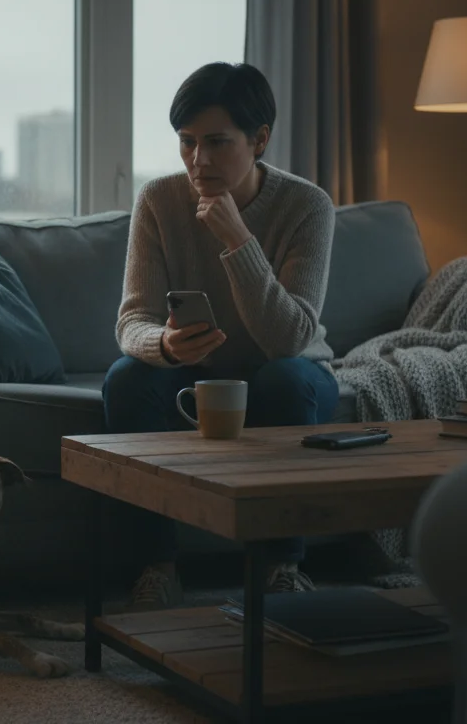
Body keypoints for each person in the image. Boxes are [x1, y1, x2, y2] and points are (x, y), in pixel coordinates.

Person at [104, 62, 340, 610]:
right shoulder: (159, 200)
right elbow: (132, 321)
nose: (198, 160)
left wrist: (238, 239)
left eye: (216, 142)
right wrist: (163, 346)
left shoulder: (308, 206)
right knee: (126, 379)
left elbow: (289, 337)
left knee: (285, 379)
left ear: (259, 140)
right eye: (187, 142)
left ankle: (282, 565)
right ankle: (156, 567)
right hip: (193, 372)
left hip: (291, 369)